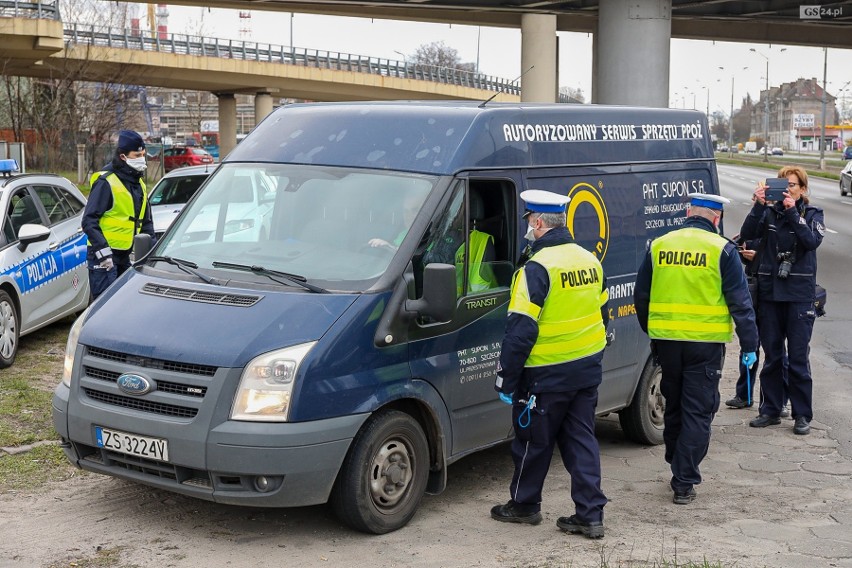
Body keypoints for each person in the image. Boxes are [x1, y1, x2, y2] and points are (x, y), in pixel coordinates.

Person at [491, 189, 609, 539]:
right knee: (582, 441)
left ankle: (525, 506)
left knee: (532, 442)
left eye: (530, 221)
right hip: (585, 370)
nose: (529, 227)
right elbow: (602, 315)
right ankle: (590, 515)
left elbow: (521, 332)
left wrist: (506, 380)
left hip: (545, 375)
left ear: (539, 223)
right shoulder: (589, 260)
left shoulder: (536, 268)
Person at [634, 193, 758, 505]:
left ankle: (676, 459)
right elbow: (741, 305)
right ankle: (684, 480)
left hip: (667, 345)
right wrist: (750, 345)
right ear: (716, 218)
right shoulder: (723, 250)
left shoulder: (659, 245)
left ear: (688, 212)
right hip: (705, 348)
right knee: (698, 411)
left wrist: (653, 331)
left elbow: (641, 296)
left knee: (674, 404)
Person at [739, 166, 824, 435]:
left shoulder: (811, 214)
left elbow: (810, 241)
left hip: (799, 296)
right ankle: (770, 410)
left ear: (803, 189)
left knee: (798, 359)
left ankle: (802, 415)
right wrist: (758, 205)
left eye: (793, 185)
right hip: (771, 294)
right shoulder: (767, 212)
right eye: (783, 185)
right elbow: (747, 233)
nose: (788, 189)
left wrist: (790, 211)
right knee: (773, 356)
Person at [82, 130, 155, 299]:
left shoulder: (140, 185)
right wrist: (103, 252)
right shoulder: (106, 182)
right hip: (103, 257)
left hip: (124, 256)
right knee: (104, 306)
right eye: (137, 155)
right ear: (123, 156)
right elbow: (89, 221)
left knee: (122, 305)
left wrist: (152, 254)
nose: (142, 159)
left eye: (143, 154)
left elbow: (146, 224)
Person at [725, 235, 790, 414]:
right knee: (748, 347)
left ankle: (780, 401)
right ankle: (744, 395)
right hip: (753, 295)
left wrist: (759, 257)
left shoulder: (783, 232)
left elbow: (793, 260)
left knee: (776, 352)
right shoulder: (752, 230)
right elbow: (733, 254)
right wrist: (741, 252)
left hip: (775, 298)